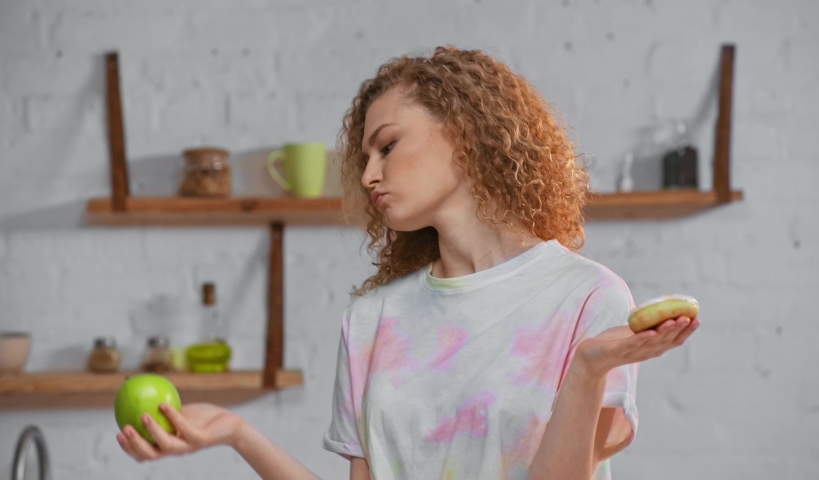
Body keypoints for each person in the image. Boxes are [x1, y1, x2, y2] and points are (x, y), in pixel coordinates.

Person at [117, 46, 700, 480]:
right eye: (365, 157)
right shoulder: (372, 321)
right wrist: (239, 434)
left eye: (388, 146)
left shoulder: (588, 298)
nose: (369, 175)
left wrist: (587, 371)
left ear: (465, 134)